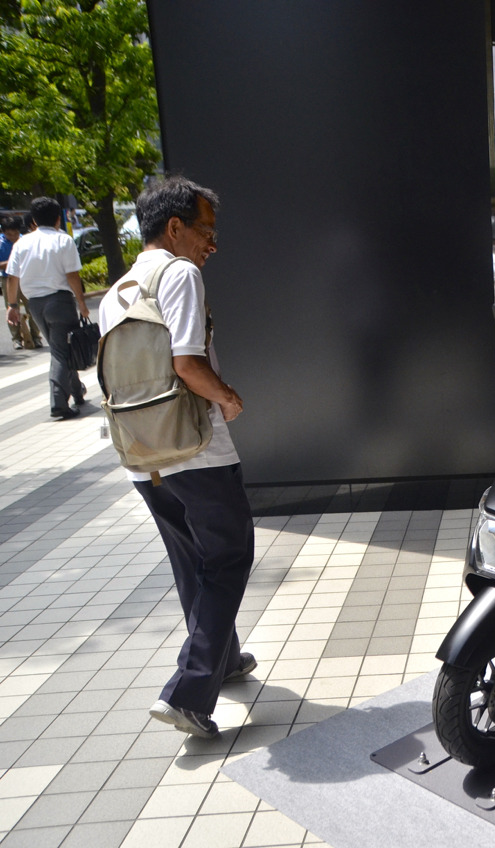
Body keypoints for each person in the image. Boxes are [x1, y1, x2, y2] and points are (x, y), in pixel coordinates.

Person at [99, 177, 256, 740]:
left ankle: (226, 659)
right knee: (230, 559)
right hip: (197, 451)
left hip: (143, 455)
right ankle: (188, 693)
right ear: (174, 228)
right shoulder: (179, 273)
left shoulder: (117, 290)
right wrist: (228, 397)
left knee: (193, 563)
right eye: (206, 231)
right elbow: (188, 363)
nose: (212, 245)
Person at [4, 198, 89, 418]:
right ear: (58, 218)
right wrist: (81, 302)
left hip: (35, 305)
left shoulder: (22, 243)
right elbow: (72, 275)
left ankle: (77, 391)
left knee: (60, 347)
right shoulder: (63, 240)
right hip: (60, 301)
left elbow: (12, 278)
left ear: (33, 220)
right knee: (61, 351)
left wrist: (12, 305)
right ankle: (58, 401)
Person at [2, 216, 44, 351]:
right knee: (12, 309)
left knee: (32, 308)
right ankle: (16, 339)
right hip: (8, 279)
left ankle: (36, 337)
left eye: (15, 233)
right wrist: (11, 264)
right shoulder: (1, 244)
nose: (13, 237)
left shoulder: (26, 241)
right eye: (9, 234)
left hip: (27, 278)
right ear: (3, 232)